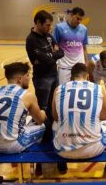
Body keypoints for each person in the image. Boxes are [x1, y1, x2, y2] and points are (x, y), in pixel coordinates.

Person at [25, 10, 65, 175]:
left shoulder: (49, 36)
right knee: (42, 115)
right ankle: (41, 156)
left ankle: (57, 150)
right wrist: (52, 55)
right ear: (38, 23)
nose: (50, 27)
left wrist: (51, 55)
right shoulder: (31, 40)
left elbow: (60, 53)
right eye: (48, 25)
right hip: (42, 81)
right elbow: (47, 59)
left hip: (54, 76)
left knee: (55, 111)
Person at [52, 63, 106, 160]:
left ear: (71, 78)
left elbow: (56, 117)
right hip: (92, 150)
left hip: (63, 151)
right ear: (87, 77)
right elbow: (105, 117)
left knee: (56, 123)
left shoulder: (59, 89)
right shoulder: (98, 88)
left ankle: (61, 167)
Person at [0, 62, 47, 153]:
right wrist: (43, 113)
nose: (29, 78)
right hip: (12, 146)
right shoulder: (27, 95)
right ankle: (37, 159)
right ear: (19, 79)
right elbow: (40, 119)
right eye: (27, 75)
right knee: (42, 125)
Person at [53, 7, 88, 85]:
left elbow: (84, 47)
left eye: (81, 20)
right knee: (63, 92)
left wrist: (86, 63)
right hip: (64, 68)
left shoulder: (84, 29)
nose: (79, 21)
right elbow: (54, 46)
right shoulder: (59, 27)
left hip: (79, 67)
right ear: (71, 15)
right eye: (77, 18)